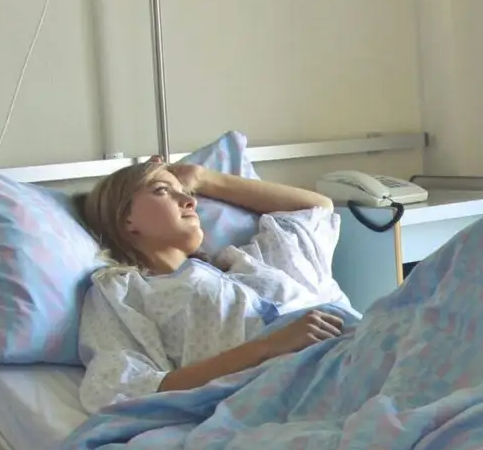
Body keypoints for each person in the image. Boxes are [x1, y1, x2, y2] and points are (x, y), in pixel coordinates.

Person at [73, 158, 351, 411]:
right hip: (296, 388)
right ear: (126, 219)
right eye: (162, 190)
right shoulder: (122, 292)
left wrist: (203, 178)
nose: (189, 200)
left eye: (187, 193)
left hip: (350, 349)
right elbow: (122, 388)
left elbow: (316, 208)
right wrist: (268, 346)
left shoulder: (243, 263)